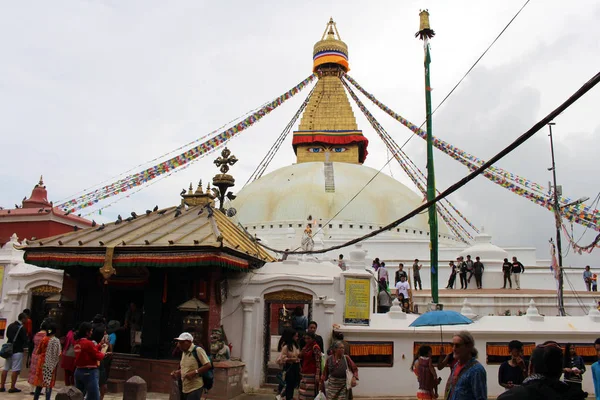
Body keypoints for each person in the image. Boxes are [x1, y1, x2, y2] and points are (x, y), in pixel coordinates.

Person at [498, 341, 586, 400]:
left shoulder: (507, 398)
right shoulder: (575, 396)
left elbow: (531, 383)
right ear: (560, 370)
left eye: (521, 351)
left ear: (531, 367)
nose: (520, 354)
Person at [170, 332, 212, 400]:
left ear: (189, 342)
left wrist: (194, 372)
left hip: (195, 386)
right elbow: (186, 367)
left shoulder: (198, 350)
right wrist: (178, 372)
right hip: (185, 386)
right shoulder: (184, 352)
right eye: (179, 342)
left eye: (182, 342)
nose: (179, 345)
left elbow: (208, 365)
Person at [446, 331, 487, 400]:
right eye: (452, 345)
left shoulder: (476, 370)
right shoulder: (456, 365)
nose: (454, 349)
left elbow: (480, 397)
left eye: (457, 345)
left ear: (469, 346)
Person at [74, 322, 108, 400]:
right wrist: (104, 353)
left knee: (79, 396)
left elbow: (89, 351)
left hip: (78, 371)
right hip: (89, 372)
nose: (92, 332)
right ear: (87, 332)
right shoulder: (88, 343)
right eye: (91, 331)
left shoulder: (77, 342)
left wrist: (99, 346)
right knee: (94, 397)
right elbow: (97, 356)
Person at [32, 320, 61, 400]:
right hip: (51, 363)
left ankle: (36, 398)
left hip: (42, 362)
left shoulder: (44, 339)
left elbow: (38, 351)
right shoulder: (56, 341)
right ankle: (47, 398)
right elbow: (58, 353)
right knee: (49, 383)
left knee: (39, 383)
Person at [0, 313, 28, 393]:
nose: (26, 320)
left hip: (9, 349)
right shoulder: (22, 328)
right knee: (15, 369)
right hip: (17, 350)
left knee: (6, 368)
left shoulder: (10, 325)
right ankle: (12, 387)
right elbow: (24, 339)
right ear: (23, 319)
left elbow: (8, 335)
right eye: (26, 319)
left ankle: (2, 386)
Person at [277, 328, 301, 400]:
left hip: (296, 367)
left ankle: (288, 396)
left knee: (294, 383)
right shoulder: (286, 347)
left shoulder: (296, 346)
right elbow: (282, 359)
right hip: (289, 367)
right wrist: (291, 359)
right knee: (289, 383)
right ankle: (287, 397)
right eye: (295, 336)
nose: (297, 338)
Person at [298, 332, 322, 400]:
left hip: (312, 372)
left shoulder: (315, 347)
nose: (307, 340)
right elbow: (300, 356)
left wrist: (317, 374)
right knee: (303, 392)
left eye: (309, 338)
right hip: (305, 371)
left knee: (309, 393)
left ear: (313, 339)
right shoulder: (306, 347)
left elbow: (318, 361)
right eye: (305, 338)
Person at [27, 319, 48, 394]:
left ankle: (31, 389)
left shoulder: (36, 335)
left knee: (33, 371)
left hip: (34, 354)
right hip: (42, 355)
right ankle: (40, 389)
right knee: (41, 373)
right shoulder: (46, 336)